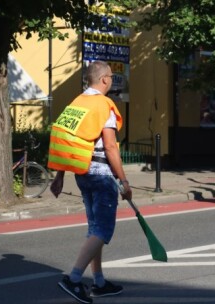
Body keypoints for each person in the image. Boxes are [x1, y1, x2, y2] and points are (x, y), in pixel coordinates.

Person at [57, 61, 131, 304]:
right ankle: (74, 278)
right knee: (102, 230)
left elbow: (64, 141)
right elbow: (110, 146)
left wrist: (59, 175)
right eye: (110, 76)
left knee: (94, 228)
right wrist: (124, 180)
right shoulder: (103, 106)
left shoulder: (76, 103)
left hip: (82, 173)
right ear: (104, 80)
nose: (111, 79)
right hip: (101, 174)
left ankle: (99, 282)